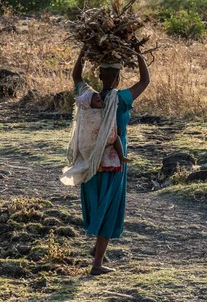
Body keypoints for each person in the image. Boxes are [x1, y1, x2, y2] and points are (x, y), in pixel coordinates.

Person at [71, 46, 150, 276]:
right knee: (108, 206)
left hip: (91, 161)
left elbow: (76, 77)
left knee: (98, 202)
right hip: (114, 161)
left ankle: (98, 250)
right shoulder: (121, 99)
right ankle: (97, 264)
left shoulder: (88, 96)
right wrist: (138, 54)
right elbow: (145, 81)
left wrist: (82, 55)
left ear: (99, 76)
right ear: (117, 78)